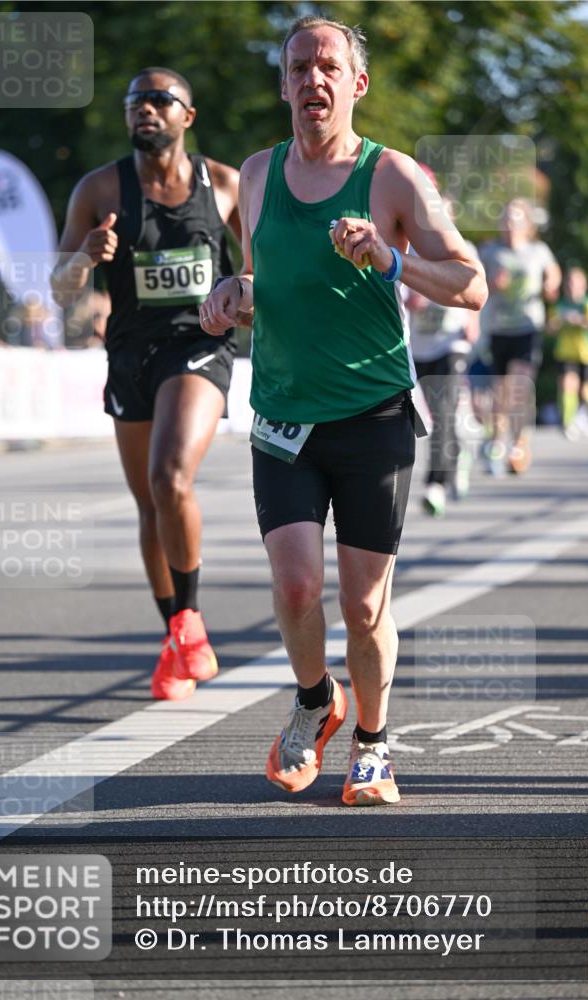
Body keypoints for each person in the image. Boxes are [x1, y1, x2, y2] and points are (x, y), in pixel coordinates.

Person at [199, 16, 487, 806]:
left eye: (327, 66)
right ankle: (313, 702)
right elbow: (270, 286)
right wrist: (234, 297)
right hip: (285, 418)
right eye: (298, 68)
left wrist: (390, 259)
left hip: (373, 417)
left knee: (363, 605)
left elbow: (470, 283)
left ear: (356, 84)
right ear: (284, 83)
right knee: (294, 589)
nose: (311, 81)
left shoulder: (390, 176)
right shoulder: (255, 175)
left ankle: (372, 743)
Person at [52, 67, 241, 701]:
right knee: (148, 505)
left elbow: (267, 270)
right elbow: (58, 287)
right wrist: (85, 258)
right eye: (137, 101)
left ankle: (189, 621)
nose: (147, 110)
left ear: (188, 114)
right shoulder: (100, 187)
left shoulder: (227, 186)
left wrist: (244, 297)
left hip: (200, 345)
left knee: (170, 479)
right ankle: (176, 637)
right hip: (130, 354)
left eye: (161, 100)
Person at [407, 194, 480, 517]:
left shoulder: (464, 250)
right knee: (434, 419)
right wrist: (413, 302)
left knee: (445, 411)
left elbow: (476, 288)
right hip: (421, 345)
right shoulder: (409, 248)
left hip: (452, 343)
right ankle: (459, 451)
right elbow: (401, 292)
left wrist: (473, 321)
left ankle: (435, 484)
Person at [479, 199, 561, 475]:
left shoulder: (538, 251)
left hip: (527, 328)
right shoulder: (490, 252)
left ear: (527, 225)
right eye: (505, 220)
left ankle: (519, 445)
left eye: (515, 221)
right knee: (500, 394)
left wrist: (551, 283)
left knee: (519, 386)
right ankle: (498, 442)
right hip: (498, 329)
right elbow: (473, 284)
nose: (510, 226)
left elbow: (553, 271)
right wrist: (492, 285)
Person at [547, 267, 588, 439]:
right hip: (565, 353)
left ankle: (584, 416)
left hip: (586, 353)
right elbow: (549, 329)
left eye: (576, 284)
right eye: (570, 283)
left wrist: (581, 321)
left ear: (584, 285)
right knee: (567, 385)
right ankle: (567, 422)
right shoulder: (559, 306)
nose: (572, 287)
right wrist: (562, 321)